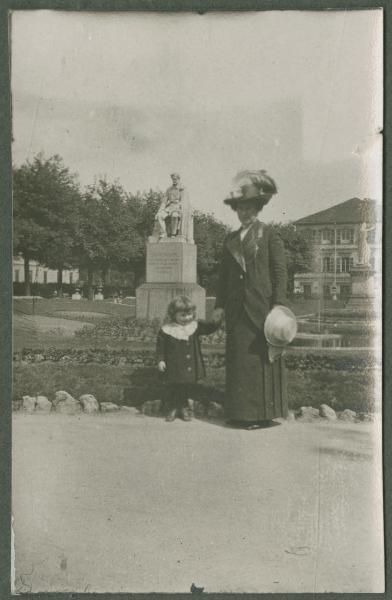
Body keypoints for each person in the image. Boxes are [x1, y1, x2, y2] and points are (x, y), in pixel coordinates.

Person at [212, 170, 288, 430]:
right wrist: (219, 305)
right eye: (241, 208)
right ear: (236, 210)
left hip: (262, 307)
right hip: (236, 309)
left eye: (250, 208)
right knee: (239, 362)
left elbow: (279, 270)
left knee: (260, 361)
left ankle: (262, 415)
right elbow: (222, 277)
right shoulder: (230, 239)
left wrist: (278, 303)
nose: (245, 213)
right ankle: (239, 413)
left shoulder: (268, 235)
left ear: (258, 208)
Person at [156, 296, 220, 422]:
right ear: (174, 315)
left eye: (189, 314)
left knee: (186, 385)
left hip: (189, 364)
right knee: (174, 385)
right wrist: (161, 360)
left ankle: (184, 407)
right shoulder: (167, 330)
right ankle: (173, 408)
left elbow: (209, 328)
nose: (187, 318)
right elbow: (160, 347)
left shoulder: (194, 326)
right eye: (183, 315)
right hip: (174, 364)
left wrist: (217, 320)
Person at [155, 173, 194, 241]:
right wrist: (159, 211)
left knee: (175, 215)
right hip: (170, 207)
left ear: (178, 179)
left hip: (178, 207)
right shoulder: (169, 189)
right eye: (173, 179)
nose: (174, 180)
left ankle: (173, 234)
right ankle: (163, 233)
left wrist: (179, 208)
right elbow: (164, 202)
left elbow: (184, 201)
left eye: (175, 179)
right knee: (159, 216)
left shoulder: (183, 189)